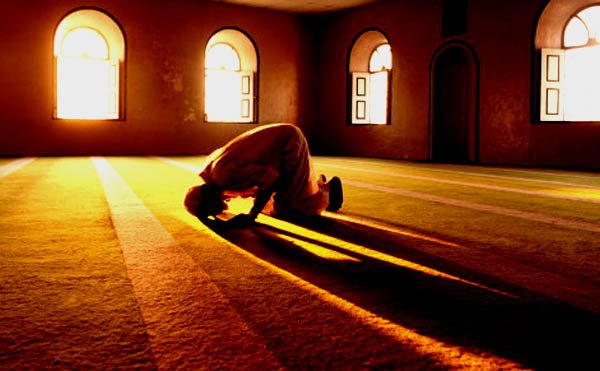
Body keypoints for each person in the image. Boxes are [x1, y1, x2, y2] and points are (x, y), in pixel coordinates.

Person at [184, 123, 343, 226]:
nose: (216, 212)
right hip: (281, 149)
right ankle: (312, 184)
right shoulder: (211, 172)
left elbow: (270, 177)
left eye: (210, 211)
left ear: (209, 202)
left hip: (289, 144)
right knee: (270, 206)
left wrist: (252, 215)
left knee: (295, 211)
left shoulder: (223, 177)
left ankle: (328, 192)